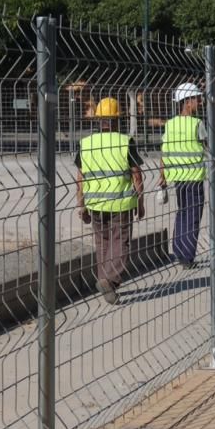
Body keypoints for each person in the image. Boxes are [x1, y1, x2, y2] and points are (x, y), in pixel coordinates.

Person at [75, 97, 145, 304]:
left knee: (103, 242)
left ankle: (105, 279)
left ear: (99, 120)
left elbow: (80, 177)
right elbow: (137, 175)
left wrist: (82, 204)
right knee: (120, 242)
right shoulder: (125, 142)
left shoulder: (86, 144)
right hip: (120, 203)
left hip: (95, 203)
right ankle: (110, 279)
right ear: (117, 120)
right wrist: (140, 202)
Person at [159, 82, 215, 268]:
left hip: (177, 177)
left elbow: (165, 151)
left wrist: (161, 175)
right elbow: (207, 146)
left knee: (182, 212)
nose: (200, 102)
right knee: (193, 215)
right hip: (194, 177)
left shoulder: (170, 124)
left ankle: (178, 249)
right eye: (196, 99)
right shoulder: (197, 123)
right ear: (187, 102)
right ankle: (187, 255)